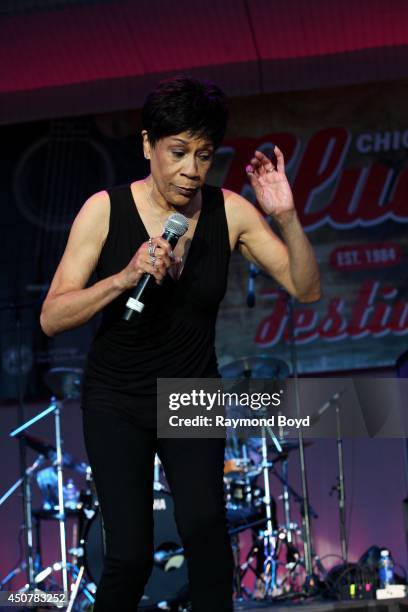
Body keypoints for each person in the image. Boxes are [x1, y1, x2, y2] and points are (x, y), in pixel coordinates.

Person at [40, 76, 320, 611]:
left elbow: (306, 289)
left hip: (193, 391)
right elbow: (53, 316)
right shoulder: (104, 209)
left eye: (204, 154)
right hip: (117, 397)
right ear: (148, 145)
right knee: (128, 557)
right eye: (178, 152)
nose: (191, 169)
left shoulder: (231, 212)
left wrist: (284, 215)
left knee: (208, 539)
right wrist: (124, 276)